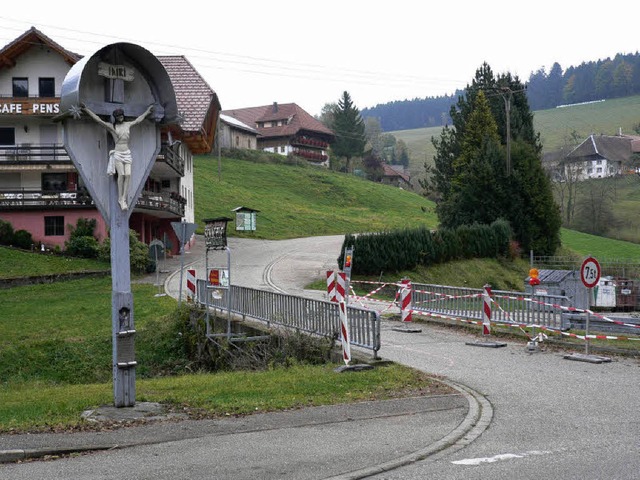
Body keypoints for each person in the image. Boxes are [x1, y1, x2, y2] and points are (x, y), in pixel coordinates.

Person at [82, 104, 154, 210]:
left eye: (121, 116)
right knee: (122, 175)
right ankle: (121, 199)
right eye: (118, 116)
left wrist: (147, 112)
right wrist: (86, 109)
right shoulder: (112, 127)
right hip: (118, 153)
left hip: (127, 152)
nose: (120, 118)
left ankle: (124, 197)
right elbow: (99, 120)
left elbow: (138, 120)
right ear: (116, 117)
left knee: (128, 175)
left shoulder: (127, 124)